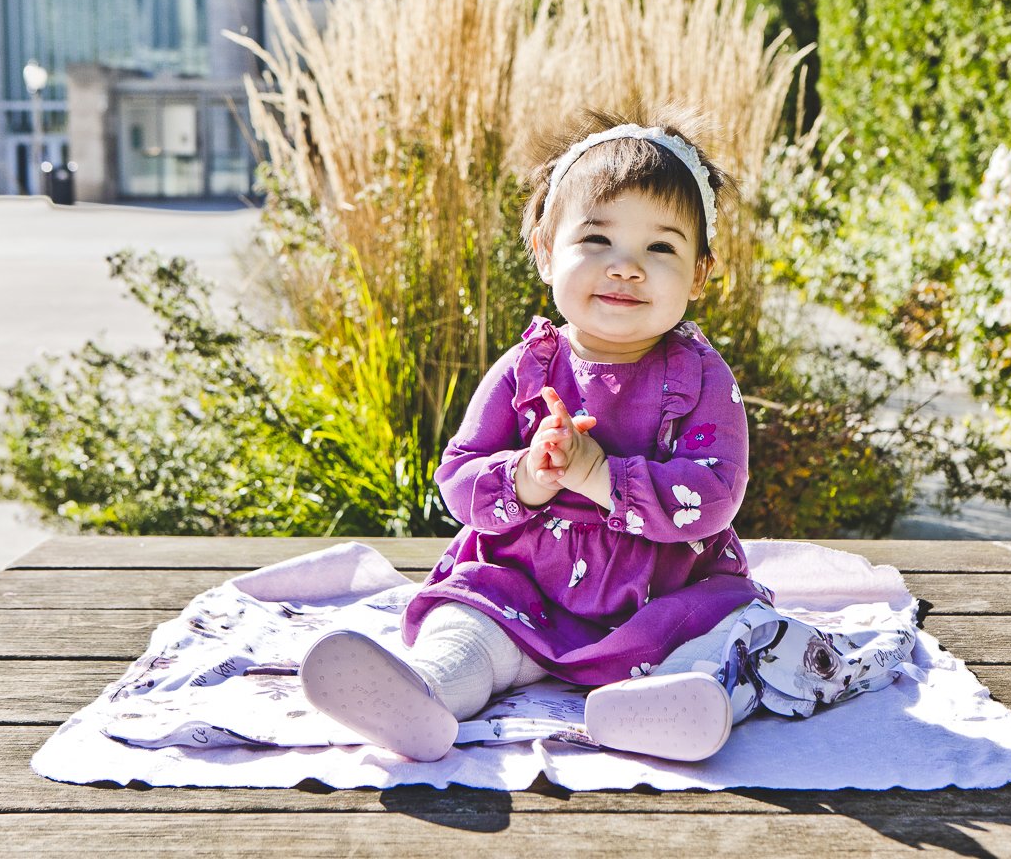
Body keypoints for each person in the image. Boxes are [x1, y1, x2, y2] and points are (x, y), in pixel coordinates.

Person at [300, 106, 763, 762]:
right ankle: (424, 692)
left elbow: (714, 495)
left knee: (738, 634)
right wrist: (526, 477)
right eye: (596, 240)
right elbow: (458, 478)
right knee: (468, 623)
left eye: (661, 248)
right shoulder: (528, 368)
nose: (626, 267)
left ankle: (664, 707)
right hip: (526, 589)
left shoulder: (701, 376)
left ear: (700, 273)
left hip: (665, 597)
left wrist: (600, 476)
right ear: (546, 253)